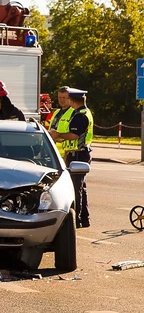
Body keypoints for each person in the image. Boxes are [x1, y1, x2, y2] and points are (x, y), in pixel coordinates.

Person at [51, 88, 93, 228]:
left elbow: (74, 135)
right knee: (80, 187)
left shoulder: (81, 115)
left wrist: (59, 135)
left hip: (78, 154)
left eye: (67, 98)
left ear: (73, 101)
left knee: (75, 188)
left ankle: (77, 220)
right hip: (75, 153)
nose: (65, 100)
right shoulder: (79, 113)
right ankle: (84, 218)